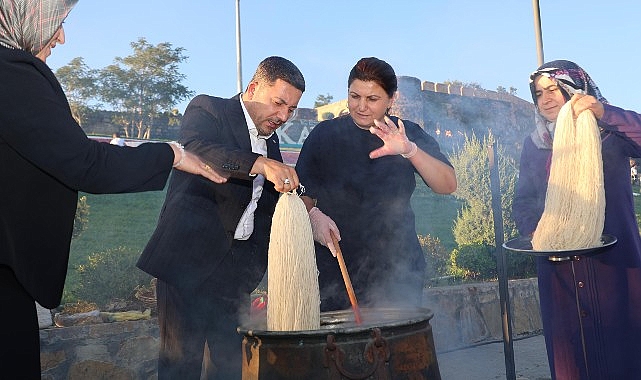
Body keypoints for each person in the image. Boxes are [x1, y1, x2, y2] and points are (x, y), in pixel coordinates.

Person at [0, 0, 227, 378]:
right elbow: (85, 163)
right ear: (26, 15)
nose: (61, 36)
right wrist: (170, 155)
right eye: (56, 22)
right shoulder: (10, 73)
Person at [137, 56, 304, 379]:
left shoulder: (271, 142)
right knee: (180, 366)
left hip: (235, 277)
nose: (284, 116)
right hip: (187, 264)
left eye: (292, 110)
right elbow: (196, 150)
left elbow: (267, 203)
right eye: (279, 103)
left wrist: (309, 210)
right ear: (254, 88)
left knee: (229, 368)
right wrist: (260, 164)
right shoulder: (209, 109)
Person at [512, 59, 641, 379]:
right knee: (572, 359)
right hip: (559, 271)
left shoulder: (610, 134)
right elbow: (524, 201)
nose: (546, 99)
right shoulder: (535, 144)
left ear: (576, 89)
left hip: (613, 263)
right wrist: (541, 234)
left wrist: (603, 113)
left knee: (623, 352)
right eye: (539, 94)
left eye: (554, 89)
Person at [296, 57, 456, 312]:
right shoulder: (323, 136)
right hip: (337, 268)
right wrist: (312, 214)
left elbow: (447, 184)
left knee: (397, 346)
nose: (361, 106)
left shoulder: (407, 132)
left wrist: (410, 150)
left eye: (372, 99)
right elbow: (300, 195)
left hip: (398, 267)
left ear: (391, 99)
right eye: (354, 96)